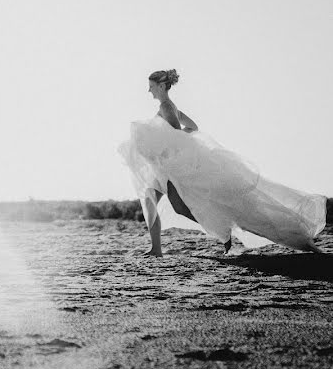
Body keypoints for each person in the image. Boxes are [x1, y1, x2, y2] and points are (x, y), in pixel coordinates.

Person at [119, 69, 326, 256]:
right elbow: (192, 127)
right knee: (151, 199)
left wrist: (165, 148)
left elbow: (177, 136)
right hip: (165, 167)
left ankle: (222, 229)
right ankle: (159, 248)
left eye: (152, 86)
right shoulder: (170, 107)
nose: (149, 90)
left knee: (178, 206)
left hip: (173, 167)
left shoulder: (166, 106)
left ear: (162, 86)